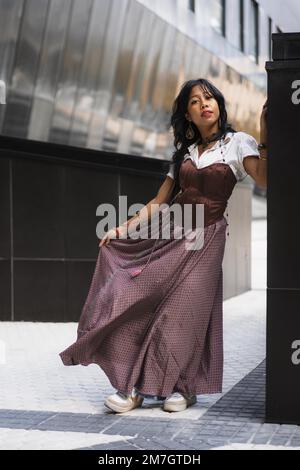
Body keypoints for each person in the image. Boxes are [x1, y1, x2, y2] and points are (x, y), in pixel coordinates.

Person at [59, 78, 268, 413]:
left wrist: (264, 131)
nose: (205, 104)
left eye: (210, 97)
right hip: (171, 233)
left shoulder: (237, 143)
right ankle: (132, 389)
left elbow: (264, 178)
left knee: (180, 313)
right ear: (187, 114)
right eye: (196, 101)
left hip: (208, 236)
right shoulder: (184, 154)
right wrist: (121, 228)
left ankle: (180, 388)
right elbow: (159, 201)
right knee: (134, 298)